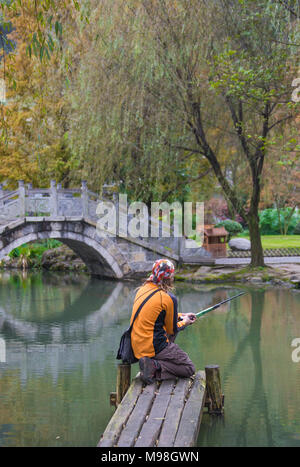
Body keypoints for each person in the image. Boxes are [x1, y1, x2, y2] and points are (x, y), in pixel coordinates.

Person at [130, 258, 196, 385]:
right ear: (169, 277)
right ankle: (155, 366)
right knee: (188, 368)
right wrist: (186, 322)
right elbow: (172, 329)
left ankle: (153, 362)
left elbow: (157, 315)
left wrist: (182, 315)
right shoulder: (168, 298)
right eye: (172, 274)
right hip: (154, 347)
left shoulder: (142, 289)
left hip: (137, 345)